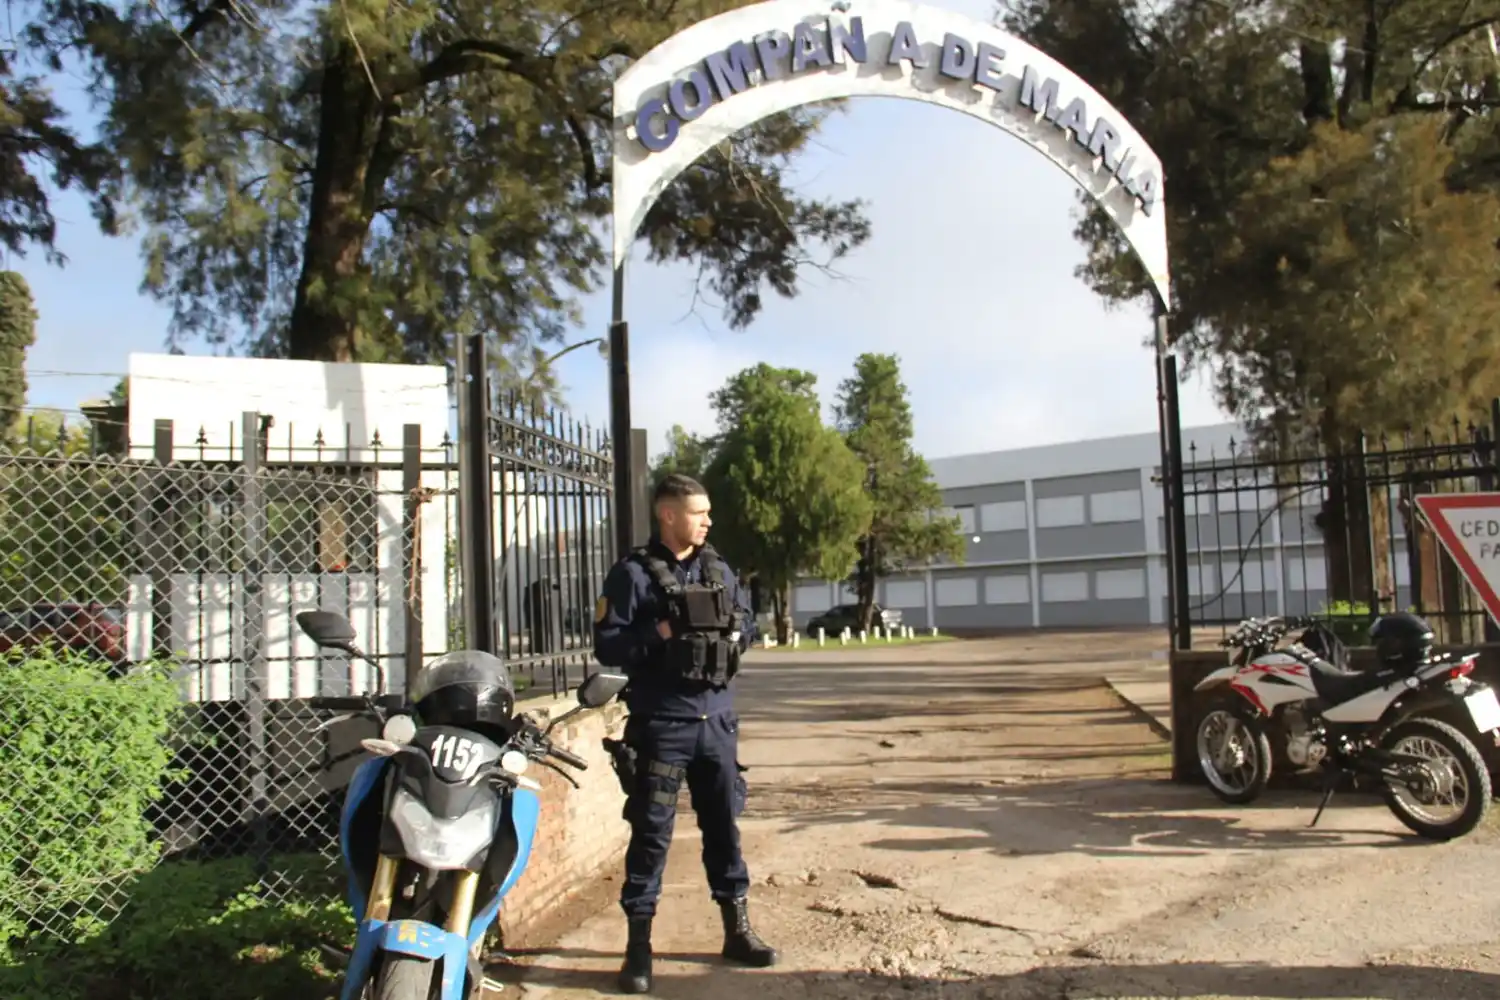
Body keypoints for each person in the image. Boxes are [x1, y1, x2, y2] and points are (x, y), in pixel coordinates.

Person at [592, 473, 777, 994]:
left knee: (724, 830)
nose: (708, 521)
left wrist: (737, 635)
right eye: (700, 513)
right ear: (668, 514)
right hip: (662, 724)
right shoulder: (632, 575)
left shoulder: (718, 568)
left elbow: (749, 622)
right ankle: (638, 952)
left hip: (716, 721)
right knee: (651, 838)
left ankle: (737, 931)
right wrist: (663, 632)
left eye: (708, 513)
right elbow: (608, 646)